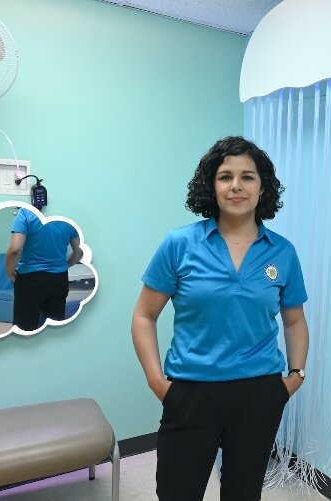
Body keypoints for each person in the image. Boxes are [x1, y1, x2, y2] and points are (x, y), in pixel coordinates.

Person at [131, 136, 309, 501]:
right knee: (178, 493)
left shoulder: (283, 252)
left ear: (263, 187)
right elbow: (144, 316)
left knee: (243, 494)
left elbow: (294, 320)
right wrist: (156, 381)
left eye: (248, 177)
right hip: (191, 392)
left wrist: (294, 377)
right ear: (211, 186)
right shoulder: (180, 244)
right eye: (225, 176)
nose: (236, 186)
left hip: (260, 393)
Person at [5, 208, 83, 331]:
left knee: (24, 330)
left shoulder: (25, 213)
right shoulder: (67, 217)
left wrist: (9, 273)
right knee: (55, 328)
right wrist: (65, 265)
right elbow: (79, 252)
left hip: (30, 279)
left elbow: (15, 250)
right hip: (59, 279)